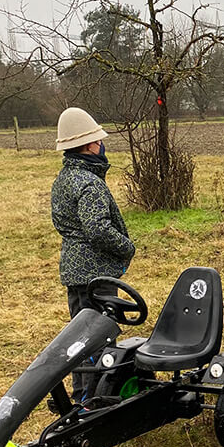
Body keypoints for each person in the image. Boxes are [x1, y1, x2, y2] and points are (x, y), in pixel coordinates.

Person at [51, 107, 136, 403]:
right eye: (99, 140)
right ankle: (99, 399)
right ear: (89, 145)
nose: (102, 145)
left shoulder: (64, 178)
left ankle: (82, 397)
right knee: (100, 337)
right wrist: (127, 247)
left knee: (78, 336)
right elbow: (98, 229)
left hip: (74, 271)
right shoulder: (90, 183)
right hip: (95, 274)